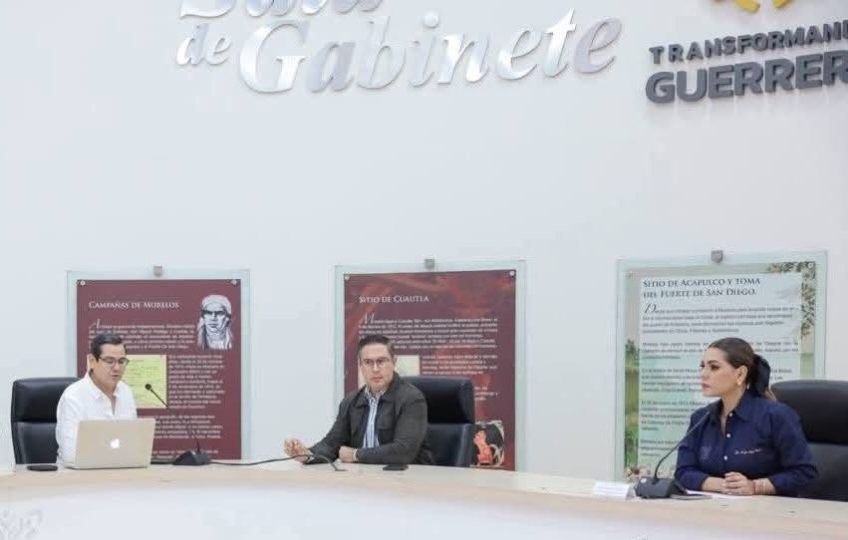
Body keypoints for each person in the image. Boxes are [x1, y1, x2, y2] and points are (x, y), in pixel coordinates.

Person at [674, 337, 817, 496]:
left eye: (714, 367)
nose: (703, 374)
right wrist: (722, 485)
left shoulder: (776, 415)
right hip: (714, 507)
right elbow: (683, 472)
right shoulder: (700, 418)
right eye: (702, 366)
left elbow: (804, 473)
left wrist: (756, 486)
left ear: (740, 374)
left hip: (768, 509)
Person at [284, 334, 434, 465]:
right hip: (365, 478)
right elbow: (331, 444)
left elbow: (404, 451)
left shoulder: (411, 399)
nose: (375, 369)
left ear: (394, 362)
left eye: (381, 361)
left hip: (409, 480)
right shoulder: (351, 401)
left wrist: (356, 455)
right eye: (368, 362)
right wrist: (306, 455)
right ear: (360, 366)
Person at [56, 333, 138, 465]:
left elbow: (132, 444)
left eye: (121, 361)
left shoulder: (126, 392)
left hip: (120, 471)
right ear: (92, 361)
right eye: (110, 361)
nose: (117, 368)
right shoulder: (73, 397)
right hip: (78, 474)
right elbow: (71, 455)